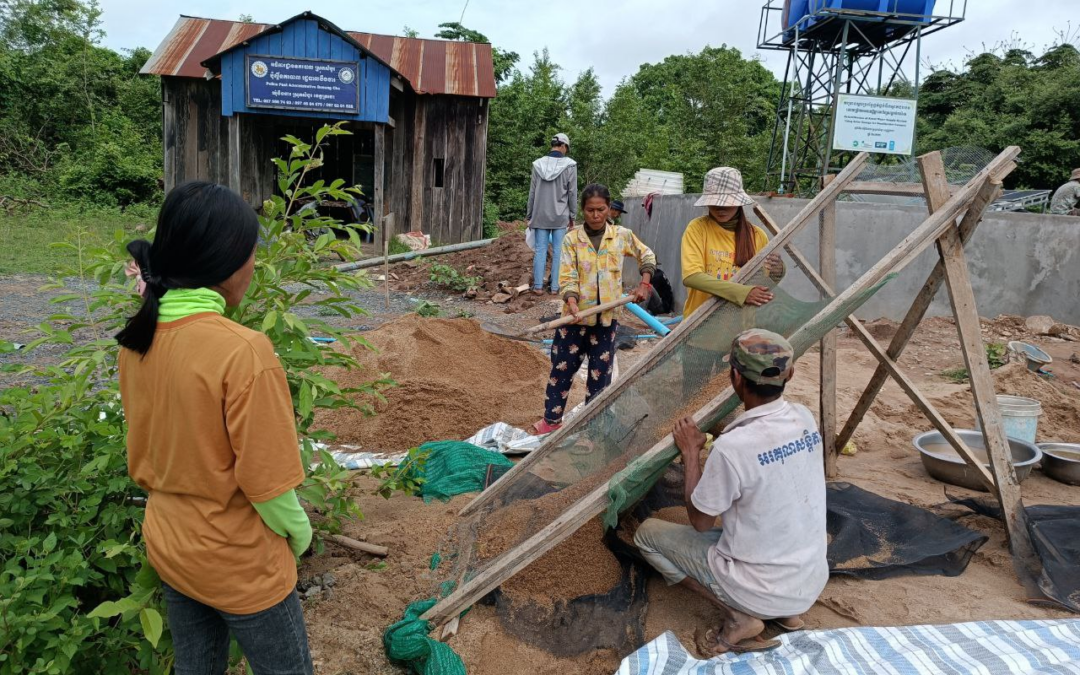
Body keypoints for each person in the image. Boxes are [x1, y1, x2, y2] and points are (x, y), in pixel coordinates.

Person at [117, 181, 314, 674]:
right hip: (240, 562)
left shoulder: (136, 340)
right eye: (251, 252)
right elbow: (268, 487)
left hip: (171, 545)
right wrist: (299, 537)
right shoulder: (243, 351)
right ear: (228, 262)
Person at [634, 330, 827, 655]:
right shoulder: (804, 418)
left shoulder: (732, 448)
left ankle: (740, 617)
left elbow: (700, 521)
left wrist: (692, 453)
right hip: (811, 579)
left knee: (646, 535)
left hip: (761, 590)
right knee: (766, 514)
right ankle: (789, 614)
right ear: (789, 374)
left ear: (735, 377)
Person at [532, 183, 656, 435]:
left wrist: (644, 283)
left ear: (609, 209)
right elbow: (566, 275)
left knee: (600, 377)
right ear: (583, 211)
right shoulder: (571, 239)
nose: (596, 215)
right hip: (574, 320)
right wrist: (572, 299)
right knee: (561, 370)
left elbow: (648, 256)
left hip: (607, 322)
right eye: (590, 210)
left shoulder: (621, 236)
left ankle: (593, 428)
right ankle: (551, 422)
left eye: (601, 209)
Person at [681, 167, 784, 318]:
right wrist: (742, 293)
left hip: (740, 325)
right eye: (715, 203)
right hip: (700, 325)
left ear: (739, 203)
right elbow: (692, 277)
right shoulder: (698, 228)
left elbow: (763, 284)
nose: (720, 208)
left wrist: (778, 271)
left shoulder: (757, 235)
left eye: (727, 203)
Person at [526, 133, 578, 295]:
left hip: (540, 214)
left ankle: (538, 287)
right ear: (563, 146)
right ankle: (555, 288)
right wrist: (573, 216)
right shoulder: (570, 166)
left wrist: (529, 215)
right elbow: (572, 193)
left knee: (540, 250)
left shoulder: (538, 165)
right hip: (560, 216)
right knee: (558, 252)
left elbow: (532, 192)